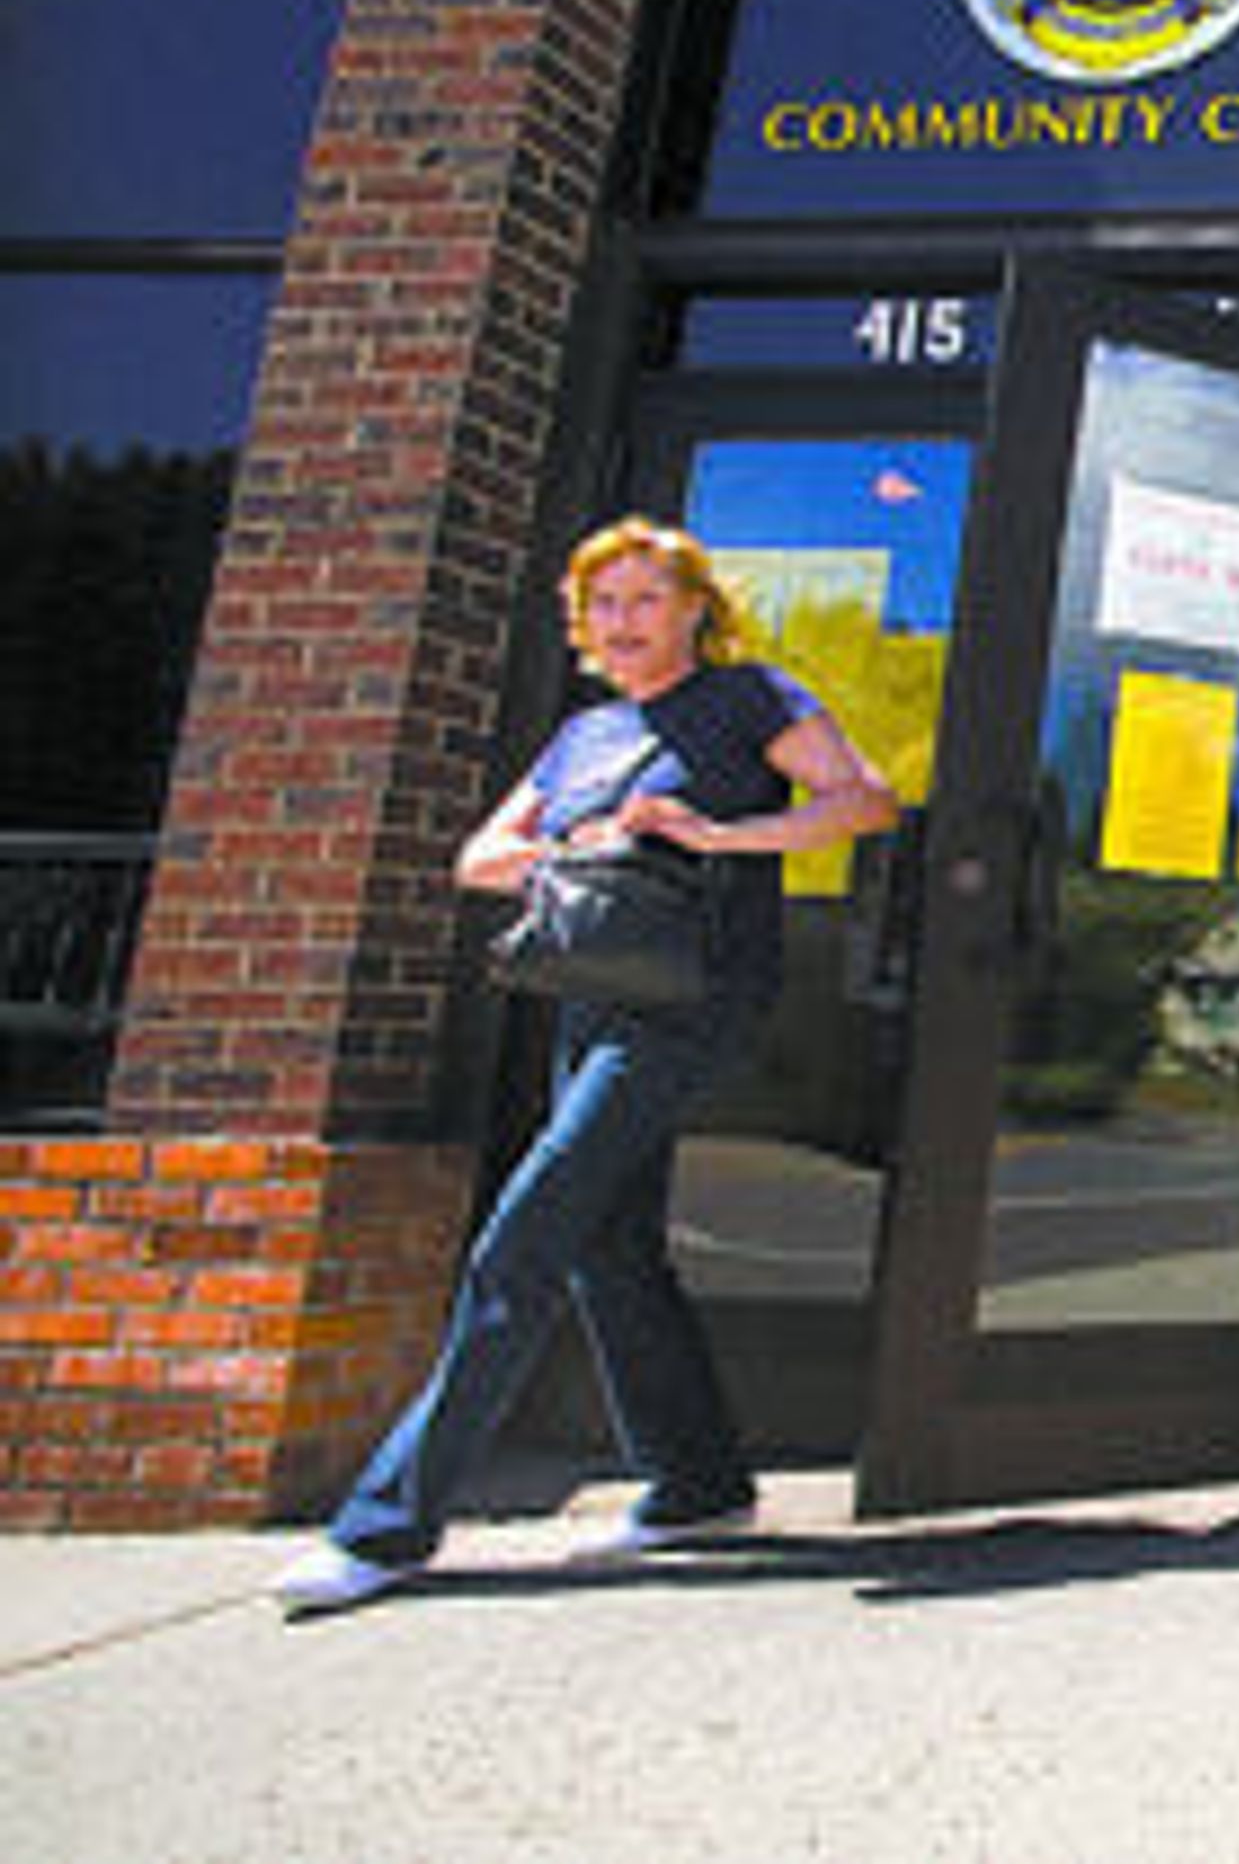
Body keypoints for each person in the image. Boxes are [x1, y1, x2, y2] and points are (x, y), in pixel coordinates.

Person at [273, 517, 900, 1617]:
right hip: (592, 1001)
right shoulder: (585, 736)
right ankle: (699, 1485)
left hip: (694, 1001)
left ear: (696, 607)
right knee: (610, 1246)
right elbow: (480, 857)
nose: (624, 620)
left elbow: (864, 800)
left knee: (525, 1234)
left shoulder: (753, 697)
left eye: (647, 598)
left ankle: (386, 1525)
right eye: (604, 603)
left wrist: (716, 836)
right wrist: (584, 840)